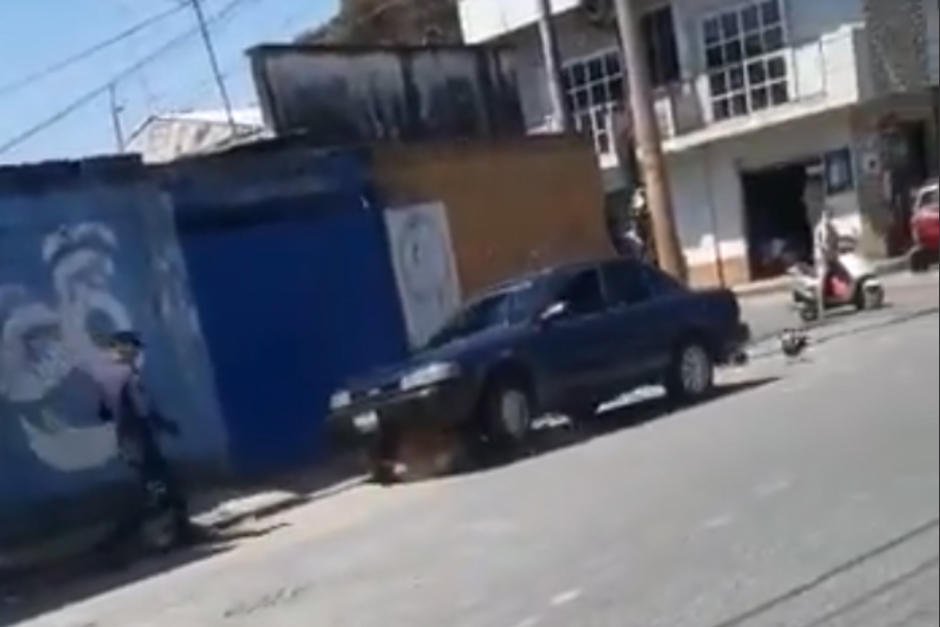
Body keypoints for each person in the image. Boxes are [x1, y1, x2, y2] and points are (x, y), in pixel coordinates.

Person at [96, 331, 192, 556]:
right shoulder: (128, 374)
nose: (137, 353)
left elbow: (103, 413)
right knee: (162, 489)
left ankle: (172, 533)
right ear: (121, 348)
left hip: (128, 442)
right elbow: (142, 410)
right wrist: (165, 424)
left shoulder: (104, 377)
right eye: (133, 347)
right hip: (141, 440)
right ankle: (119, 542)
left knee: (155, 489)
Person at [813, 207, 842, 315]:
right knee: (823, 278)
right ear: (823, 216)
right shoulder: (821, 228)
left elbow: (837, 237)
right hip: (822, 257)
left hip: (829, 256)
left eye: (830, 216)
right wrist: (826, 249)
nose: (828, 218)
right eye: (827, 216)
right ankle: (820, 306)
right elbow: (821, 243)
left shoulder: (830, 227)